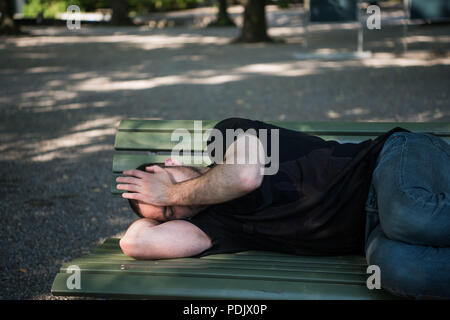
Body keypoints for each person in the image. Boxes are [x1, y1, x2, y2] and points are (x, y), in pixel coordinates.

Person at [116, 118, 450, 299]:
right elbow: (135, 243)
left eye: (169, 184)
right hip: (374, 233)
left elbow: (245, 177)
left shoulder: (225, 136)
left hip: (392, 161)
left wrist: (171, 193)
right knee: (401, 271)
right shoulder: (217, 227)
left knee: (407, 214)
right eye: (169, 213)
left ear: (172, 162)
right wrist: (162, 200)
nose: (177, 204)